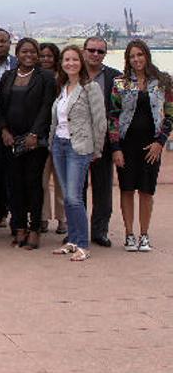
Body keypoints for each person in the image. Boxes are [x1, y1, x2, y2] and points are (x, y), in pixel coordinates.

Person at [109, 40, 173, 253]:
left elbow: (170, 116)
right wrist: (116, 147)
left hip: (151, 145)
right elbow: (114, 117)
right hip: (126, 145)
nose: (136, 59)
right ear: (127, 59)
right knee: (127, 189)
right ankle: (129, 234)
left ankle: (144, 235)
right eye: (131, 56)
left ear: (147, 55)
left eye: (139, 55)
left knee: (147, 190)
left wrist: (160, 142)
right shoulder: (122, 82)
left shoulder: (162, 81)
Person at [49, 46, 107, 262]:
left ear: (81, 62)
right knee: (66, 196)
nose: (70, 63)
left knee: (74, 197)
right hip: (59, 145)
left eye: (74, 59)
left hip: (79, 147)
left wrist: (97, 149)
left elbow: (100, 122)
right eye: (66, 59)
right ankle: (72, 240)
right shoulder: (62, 86)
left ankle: (83, 243)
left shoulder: (90, 88)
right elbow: (57, 119)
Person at [0, 38, 55, 250]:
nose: (28, 55)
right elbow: (0, 106)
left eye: (32, 52)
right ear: (17, 53)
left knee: (33, 184)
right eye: (24, 52)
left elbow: (47, 106)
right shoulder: (8, 76)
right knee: (14, 185)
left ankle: (34, 229)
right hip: (10, 139)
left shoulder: (46, 77)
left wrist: (34, 133)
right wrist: (3, 129)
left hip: (34, 142)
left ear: (37, 54)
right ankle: (19, 226)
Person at [82, 37, 122, 247]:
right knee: (77, 189)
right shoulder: (72, 73)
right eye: (92, 50)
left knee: (103, 188)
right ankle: (77, 231)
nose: (96, 54)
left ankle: (100, 231)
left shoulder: (116, 77)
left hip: (103, 141)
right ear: (84, 51)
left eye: (100, 51)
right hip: (77, 141)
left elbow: (120, 111)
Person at [0, 28, 18, 230]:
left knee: (13, 173)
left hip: (15, 126)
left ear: (10, 43)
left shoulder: (18, 64)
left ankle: (16, 217)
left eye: (3, 41)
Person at [38, 43, 66, 234]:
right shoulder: (35, 78)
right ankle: (43, 217)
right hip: (41, 136)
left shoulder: (64, 80)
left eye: (50, 56)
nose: (46, 59)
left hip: (61, 135)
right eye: (43, 56)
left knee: (62, 181)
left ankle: (63, 219)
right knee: (41, 180)